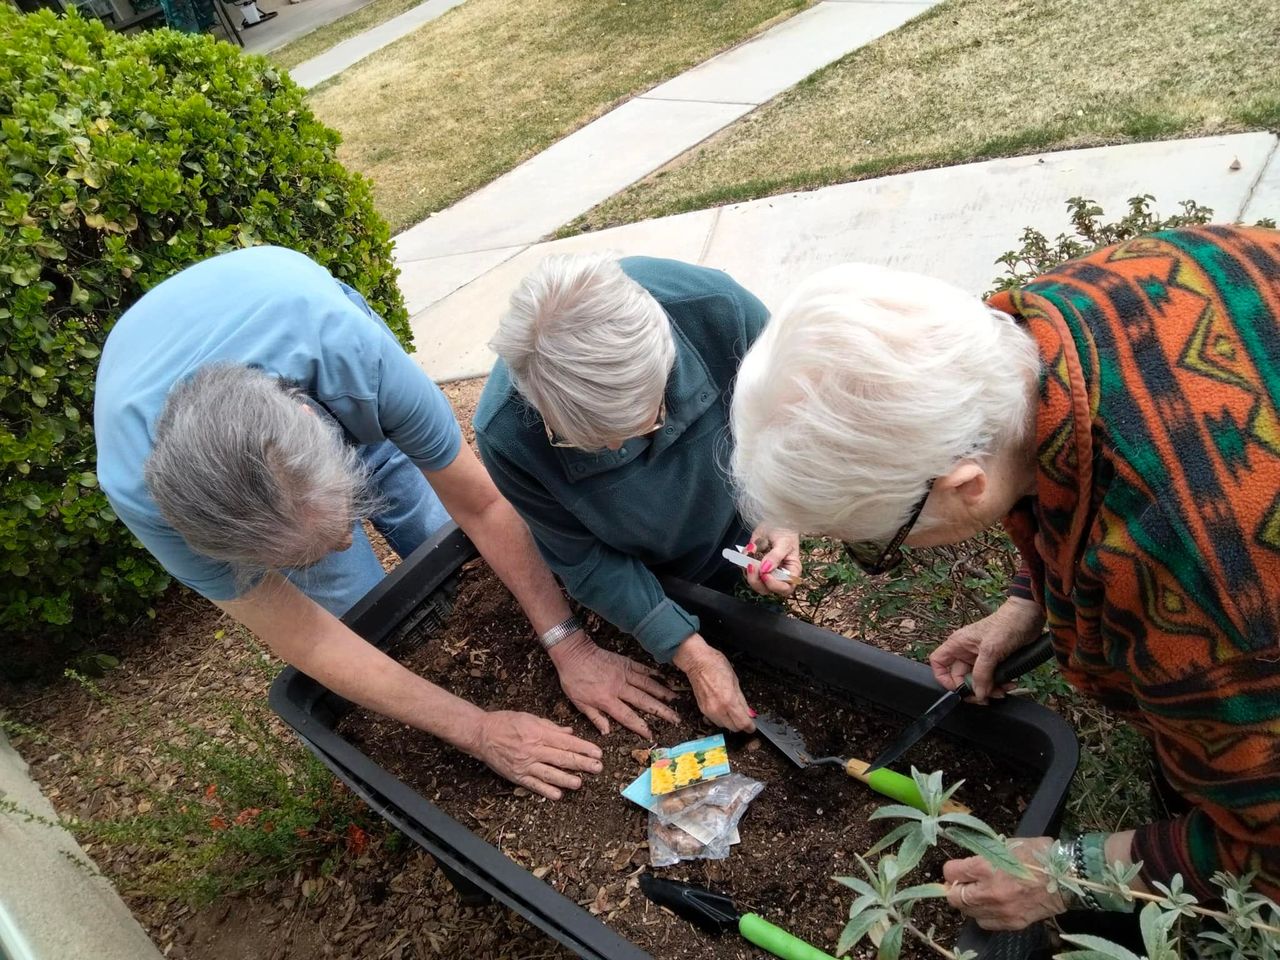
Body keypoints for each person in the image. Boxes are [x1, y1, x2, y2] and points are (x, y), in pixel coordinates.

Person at [728, 226, 1280, 931]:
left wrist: (1064, 872)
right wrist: (1028, 600)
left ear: (966, 486)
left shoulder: (1210, 596)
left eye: (877, 544)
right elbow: (1048, 460)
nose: (880, 554)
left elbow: (1268, 852)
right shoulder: (1039, 324)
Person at [95, 246, 680, 801]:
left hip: (303, 340)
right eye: (305, 554)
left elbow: (481, 506)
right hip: (206, 431)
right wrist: (476, 730)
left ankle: (383, 544)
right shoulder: (151, 499)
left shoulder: (355, 362)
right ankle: (423, 661)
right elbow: (311, 639)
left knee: (439, 539)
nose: (351, 539)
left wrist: (568, 643)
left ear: (318, 421)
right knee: (360, 609)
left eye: (349, 513)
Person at [474, 253, 801, 734]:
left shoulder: (723, 312)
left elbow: (785, 419)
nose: (613, 450)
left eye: (641, 424)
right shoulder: (505, 434)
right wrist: (689, 654)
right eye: (582, 440)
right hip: (651, 578)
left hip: (735, 527)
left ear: (665, 365)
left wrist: (779, 508)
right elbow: (584, 560)